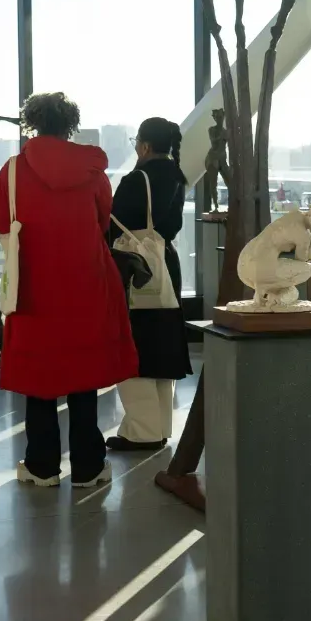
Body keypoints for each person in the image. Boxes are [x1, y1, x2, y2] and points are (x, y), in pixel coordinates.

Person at [0, 91, 137, 487]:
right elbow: (103, 218)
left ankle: (41, 467)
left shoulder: (14, 169)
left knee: (39, 378)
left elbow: (0, 219)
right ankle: (89, 468)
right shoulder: (93, 171)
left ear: (32, 123)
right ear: (70, 124)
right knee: (83, 374)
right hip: (87, 280)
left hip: (34, 283)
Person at [106, 117, 193, 451]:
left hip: (136, 268)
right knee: (161, 347)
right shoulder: (177, 177)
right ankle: (159, 427)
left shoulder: (136, 179)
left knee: (134, 346)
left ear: (143, 145)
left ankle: (141, 431)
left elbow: (113, 224)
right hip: (165, 264)